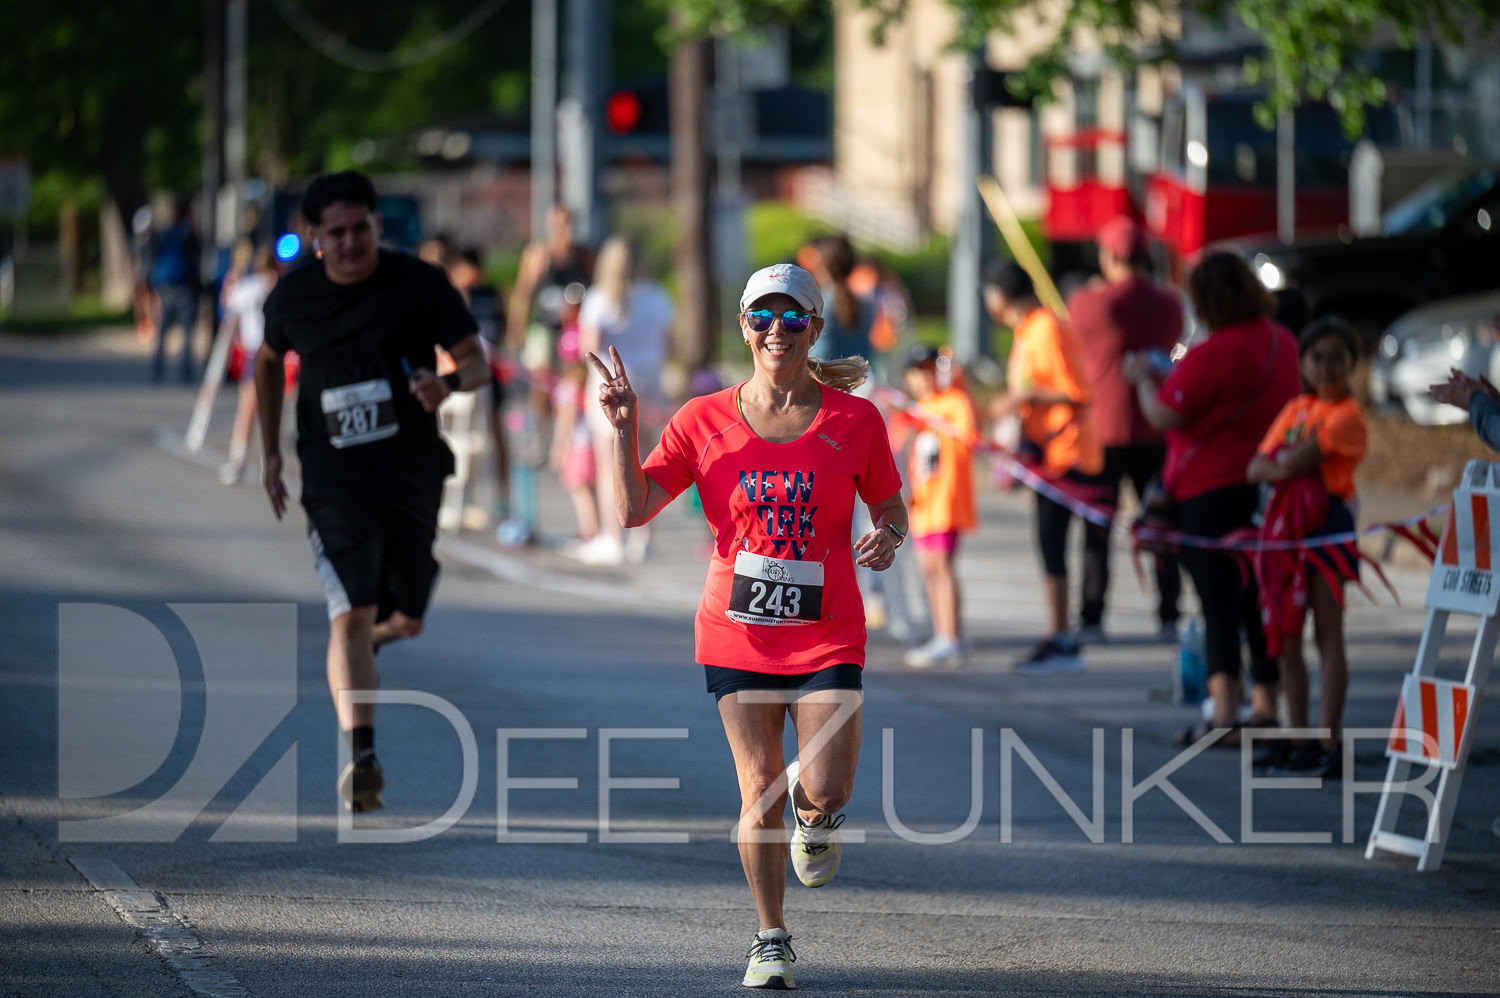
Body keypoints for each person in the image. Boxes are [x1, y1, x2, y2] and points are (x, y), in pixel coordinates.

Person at [586, 263, 906, 991]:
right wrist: (625, 425)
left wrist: (889, 536)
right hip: (738, 628)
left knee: (825, 785)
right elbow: (634, 509)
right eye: (762, 317)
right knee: (759, 784)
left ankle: (816, 817)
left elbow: (892, 507)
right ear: (742, 326)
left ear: (815, 329)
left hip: (827, 630)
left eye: (792, 319)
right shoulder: (703, 420)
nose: (776, 331)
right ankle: (771, 937)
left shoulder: (855, 421)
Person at [253, 171, 486, 813]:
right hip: (333, 480)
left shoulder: (418, 284)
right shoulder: (294, 296)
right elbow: (268, 360)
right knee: (351, 609)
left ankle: (364, 641)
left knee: (405, 617)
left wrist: (447, 385)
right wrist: (271, 451)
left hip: (411, 472)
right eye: (337, 232)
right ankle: (361, 756)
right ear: (315, 238)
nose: (352, 242)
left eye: (362, 228)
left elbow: (475, 362)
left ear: (377, 225)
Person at [1123, 251, 1300, 747]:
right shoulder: (1282, 343)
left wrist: (1141, 381)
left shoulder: (1213, 353)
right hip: (1267, 486)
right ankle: (1266, 707)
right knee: (1258, 598)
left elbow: (1163, 417)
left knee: (1216, 602)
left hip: (1208, 490)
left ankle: (1224, 713)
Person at [1246, 316, 1367, 776]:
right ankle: (1298, 738)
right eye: (1317, 357)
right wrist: (1285, 463)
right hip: (1285, 530)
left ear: (1352, 364)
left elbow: (1296, 459)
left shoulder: (1348, 417)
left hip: (1327, 529)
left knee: (1326, 635)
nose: (1327, 367)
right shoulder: (1297, 408)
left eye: (1338, 358)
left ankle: (1327, 741)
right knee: (1287, 635)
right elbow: (1256, 467)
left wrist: (1283, 462)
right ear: (1303, 363)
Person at [1067, 216, 1183, 642]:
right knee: (1160, 526)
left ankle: (1093, 616)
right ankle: (1169, 613)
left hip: (1104, 430)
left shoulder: (1088, 303)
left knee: (1097, 529)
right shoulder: (1170, 305)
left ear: (1111, 256)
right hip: (1155, 430)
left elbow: (1075, 329)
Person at [985, 261, 1104, 675]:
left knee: (1053, 544)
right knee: (1049, 545)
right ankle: (1059, 633)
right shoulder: (1030, 330)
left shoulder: (1046, 328)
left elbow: (1076, 393)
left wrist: (1022, 395)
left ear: (1001, 295)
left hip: (1065, 452)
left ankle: (1062, 638)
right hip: (1048, 452)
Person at [578, 234, 674, 565]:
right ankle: (643, 537)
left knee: (612, 466)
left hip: (612, 386)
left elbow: (586, 348)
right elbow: (669, 341)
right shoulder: (656, 295)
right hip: (649, 381)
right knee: (646, 462)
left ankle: (612, 535)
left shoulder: (600, 298)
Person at [894, 346, 978, 668]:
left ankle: (951, 635)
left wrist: (957, 381)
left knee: (942, 566)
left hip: (947, 500)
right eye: (916, 372)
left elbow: (969, 435)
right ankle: (942, 630)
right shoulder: (917, 408)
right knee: (929, 568)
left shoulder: (954, 401)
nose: (922, 378)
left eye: (928, 370)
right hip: (924, 503)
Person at [447, 247, 511, 525]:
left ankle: (500, 497)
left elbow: (503, 329)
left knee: (495, 436)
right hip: (459, 379)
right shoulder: (451, 298)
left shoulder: (490, 295)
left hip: (489, 376)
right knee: (460, 440)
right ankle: (460, 499)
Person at [218, 241, 278, 485]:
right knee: (274, 411)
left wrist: (231, 283)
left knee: (248, 410)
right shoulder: (276, 285)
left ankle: (239, 459)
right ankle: (268, 461)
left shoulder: (250, 286)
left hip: (260, 353)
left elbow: (226, 304)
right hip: (278, 355)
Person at [149, 198, 203, 383]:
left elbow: (153, 258)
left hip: (165, 287)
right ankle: (186, 372)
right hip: (186, 287)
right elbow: (197, 262)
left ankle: (158, 370)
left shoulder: (163, 234)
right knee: (187, 333)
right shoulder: (189, 235)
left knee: (162, 331)